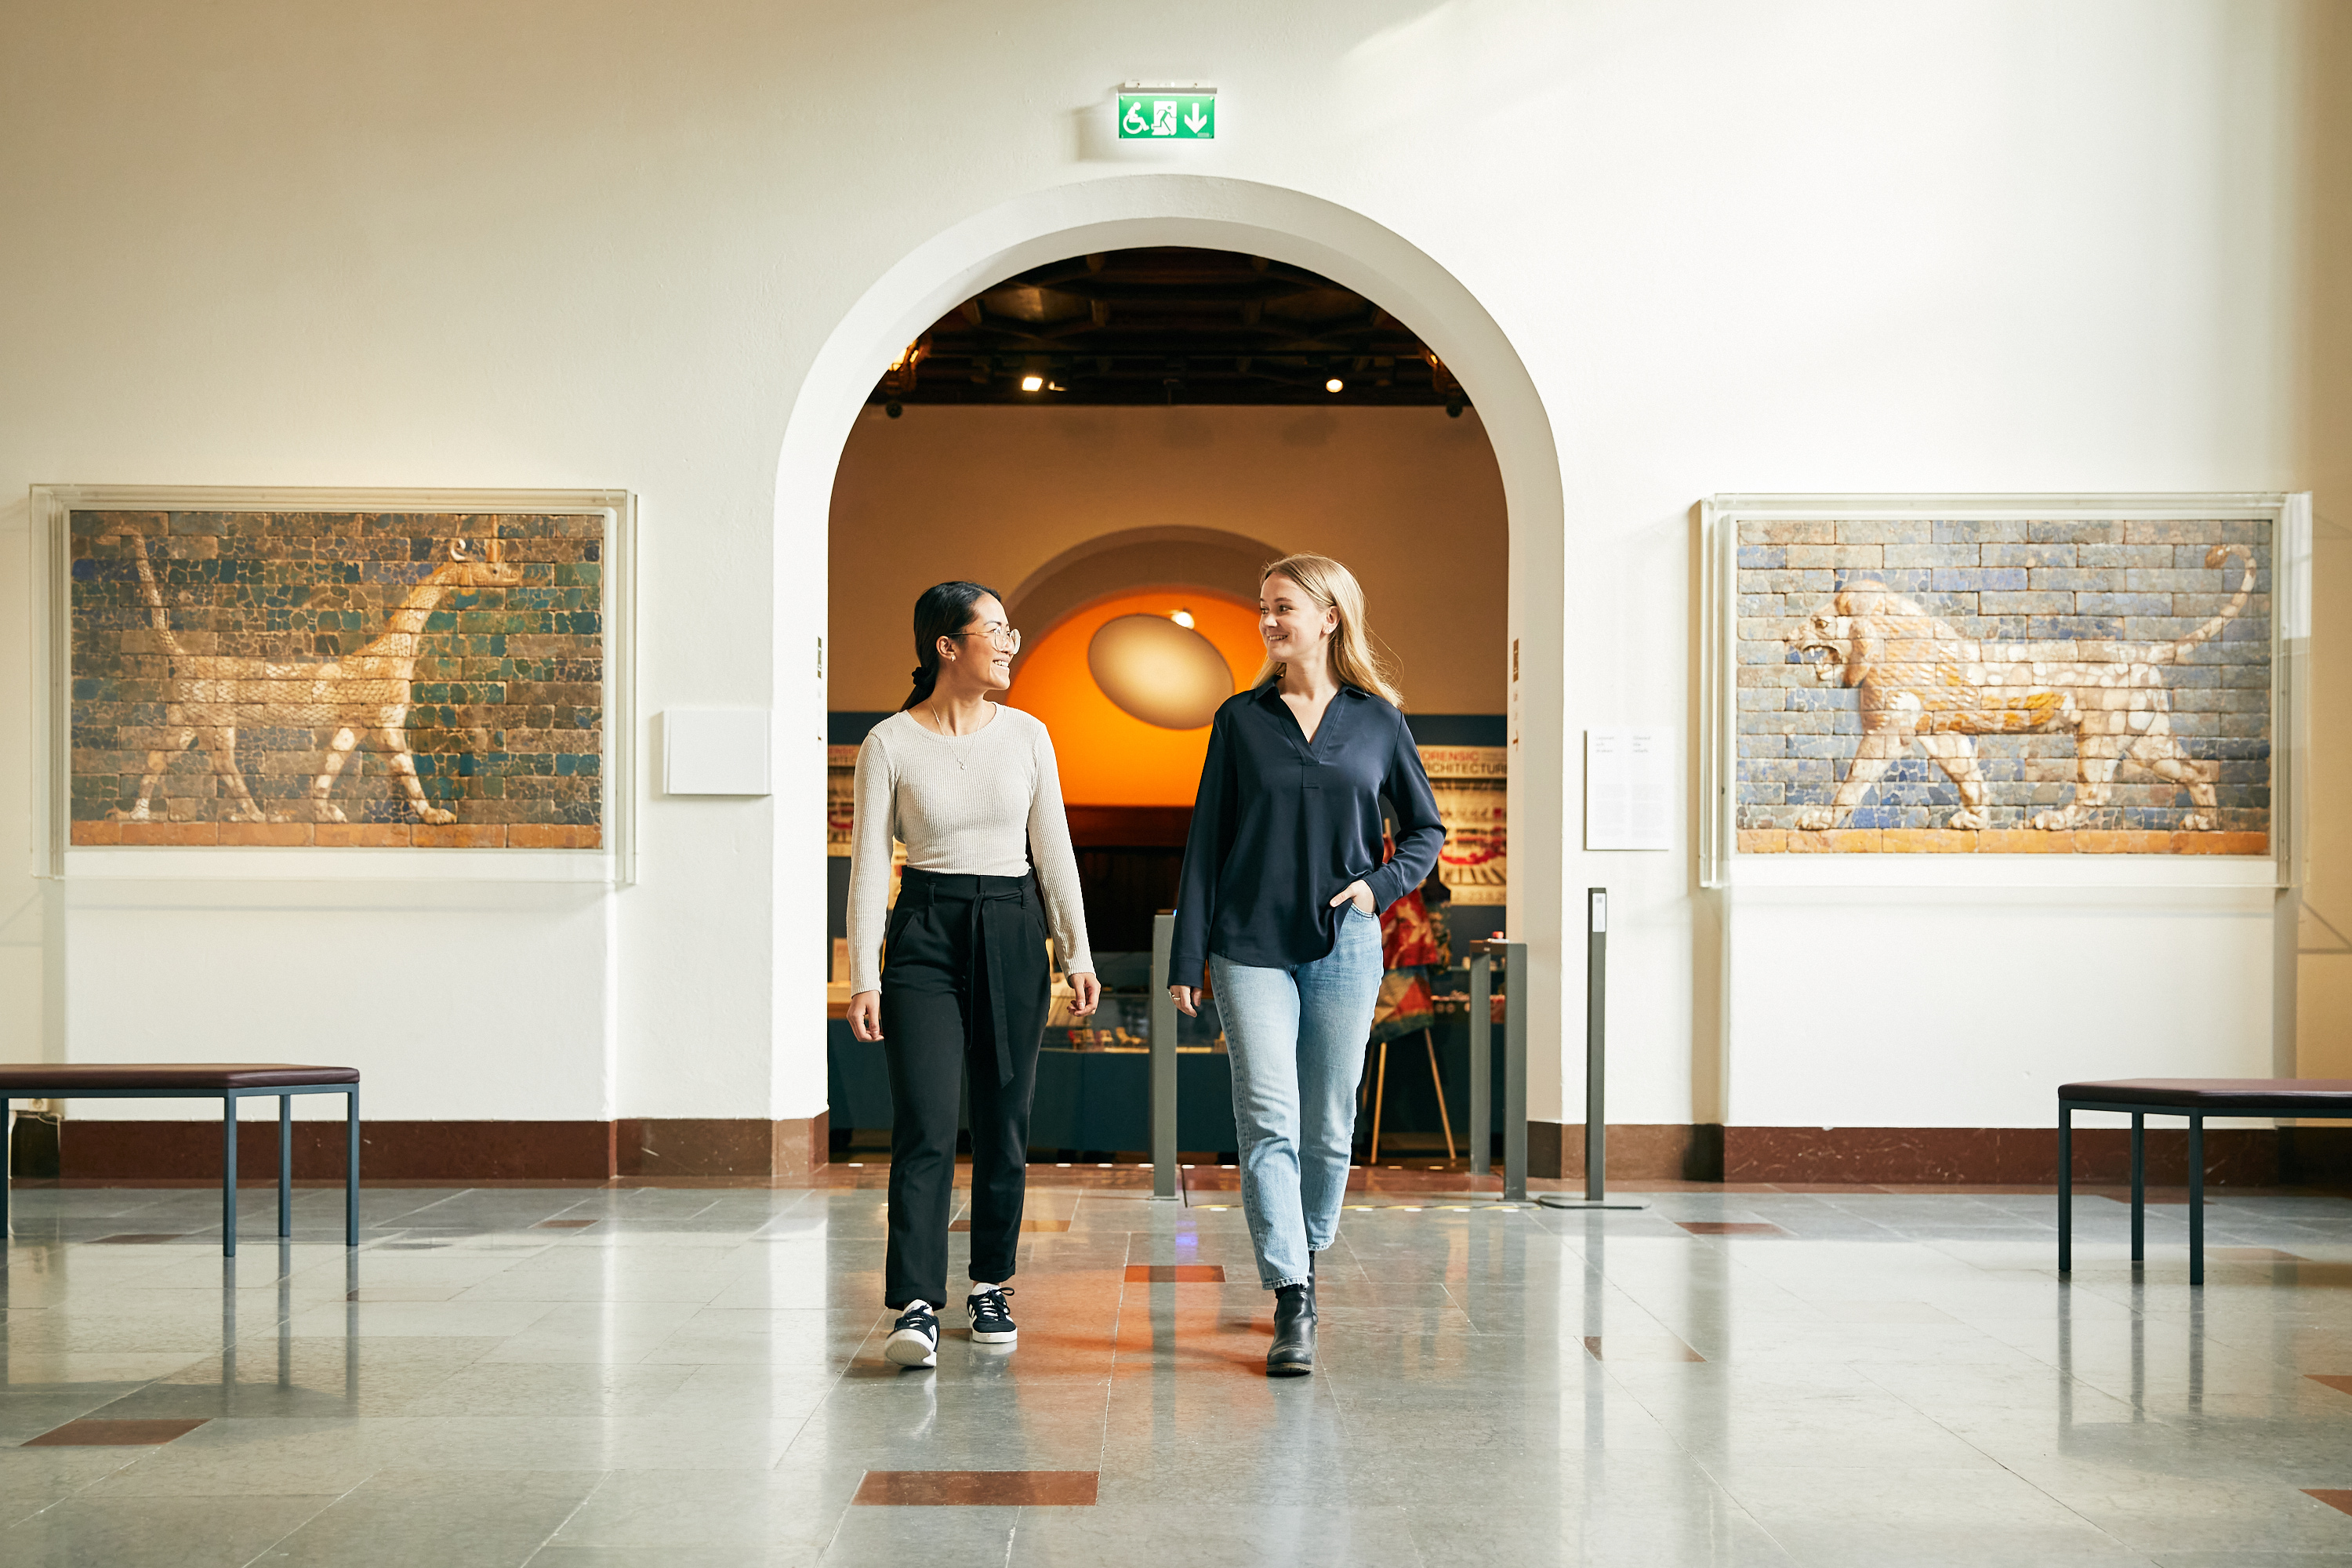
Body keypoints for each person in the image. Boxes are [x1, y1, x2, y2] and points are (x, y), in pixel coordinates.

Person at [1169, 554, 1443, 1376]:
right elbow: (1207, 843)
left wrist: (1377, 888)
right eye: (1263, 607)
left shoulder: (1379, 721)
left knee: (1328, 1120)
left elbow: (1426, 831)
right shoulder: (1240, 719)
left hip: (1345, 942)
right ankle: (1292, 1293)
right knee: (1268, 1117)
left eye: (1283, 606)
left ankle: (1308, 1247)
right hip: (1247, 943)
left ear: (1330, 617)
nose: (1268, 620)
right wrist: (1188, 953)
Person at [846, 582, 1101, 1369]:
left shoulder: (1028, 734)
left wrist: (1077, 950)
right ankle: (916, 1302)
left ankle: (990, 1282)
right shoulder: (890, 742)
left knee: (1003, 1119)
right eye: (995, 630)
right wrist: (864, 975)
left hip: (1013, 927)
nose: (1009, 643)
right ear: (946, 645)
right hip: (925, 928)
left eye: (1010, 629)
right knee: (924, 1120)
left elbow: (1053, 850)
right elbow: (868, 866)